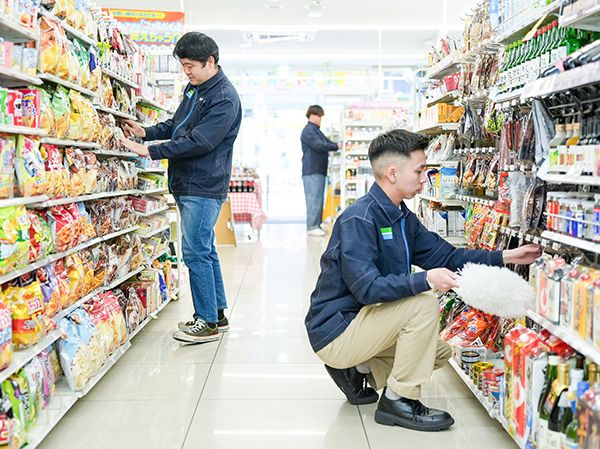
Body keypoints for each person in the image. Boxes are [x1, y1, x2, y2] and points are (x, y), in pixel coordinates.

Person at [304, 129, 541, 431]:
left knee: (438, 351)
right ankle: (398, 401)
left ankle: (360, 372)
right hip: (337, 329)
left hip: (366, 321)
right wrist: (425, 280)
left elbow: (448, 257)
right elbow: (367, 288)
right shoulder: (359, 219)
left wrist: (507, 256)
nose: (423, 179)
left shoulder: (402, 217)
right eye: (419, 170)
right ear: (392, 172)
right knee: (423, 303)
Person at [119, 32, 242, 344]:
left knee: (195, 251)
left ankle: (206, 322)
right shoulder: (195, 88)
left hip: (203, 184)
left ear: (210, 62)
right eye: (183, 66)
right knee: (205, 248)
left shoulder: (224, 98)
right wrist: (145, 133)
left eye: (191, 66)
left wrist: (150, 151)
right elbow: (177, 126)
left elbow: (201, 141)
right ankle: (217, 313)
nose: (186, 72)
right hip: (187, 181)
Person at [301, 105, 340, 237]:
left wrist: (336, 145)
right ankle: (312, 226)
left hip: (318, 170)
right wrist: (336, 146)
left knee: (318, 198)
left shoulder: (316, 130)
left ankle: (316, 224)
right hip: (312, 170)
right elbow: (319, 145)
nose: (320, 119)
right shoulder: (308, 131)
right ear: (312, 115)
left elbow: (325, 141)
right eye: (319, 116)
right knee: (313, 199)